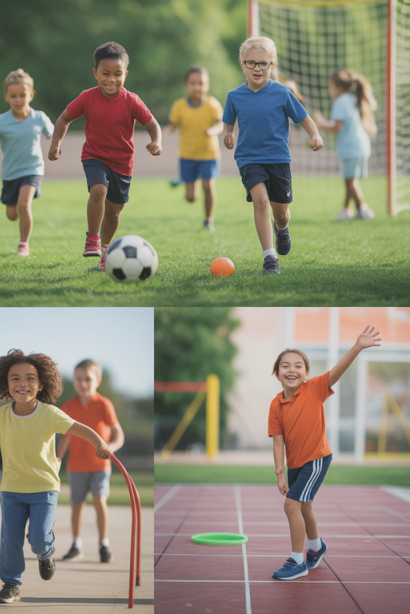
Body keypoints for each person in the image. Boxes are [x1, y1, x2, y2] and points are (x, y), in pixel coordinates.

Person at [0, 350, 111, 604]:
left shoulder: (50, 414)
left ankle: (46, 554)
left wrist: (100, 443)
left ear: (41, 384)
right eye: (15, 379)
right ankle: (11, 584)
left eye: (30, 378)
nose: (22, 384)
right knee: (10, 540)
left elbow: (79, 429)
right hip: (12, 489)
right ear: (5, 384)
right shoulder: (0, 416)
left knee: (39, 538)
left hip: (44, 489)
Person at [269, 326, 381, 579]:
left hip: (317, 458)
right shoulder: (276, 404)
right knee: (305, 507)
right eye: (285, 366)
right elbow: (278, 442)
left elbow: (337, 371)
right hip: (295, 464)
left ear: (307, 373)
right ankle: (317, 548)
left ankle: (298, 562)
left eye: (298, 366)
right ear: (276, 374)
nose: (292, 370)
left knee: (291, 506)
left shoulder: (315, 388)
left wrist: (358, 346)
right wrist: (280, 473)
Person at [49, 41, 162, 271]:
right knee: (98, 190)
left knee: (113, 214)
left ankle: (106, 250)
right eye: (105, 74)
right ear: (95, 74)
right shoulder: (87, 98)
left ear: (126, 74)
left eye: (117, 74)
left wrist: (156, 141)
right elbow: (64, 118)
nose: (111, 79)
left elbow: (153, 125)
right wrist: (55, 144)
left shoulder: (132, 100)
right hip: (94, 156)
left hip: (122, 163)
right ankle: (92, 237)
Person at [222, 36, 324, 275]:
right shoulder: (234, 96)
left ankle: (282, 227)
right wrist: (229, 134)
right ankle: (270, 258)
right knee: (260, 201)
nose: (257, 68)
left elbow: (303, 118)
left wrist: (315, 135)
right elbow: (229, 119)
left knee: (281, 212)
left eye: (263, 63)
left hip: (278, 159)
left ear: (273, 64)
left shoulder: (282, 93)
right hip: (249, 158)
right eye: (251, 63)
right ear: (242, 64)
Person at [0, 69, 54, 257]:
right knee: (12, 214)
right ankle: (19, 215)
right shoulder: (2, 121)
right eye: (13, 96)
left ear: (31, 95)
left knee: (24, 206)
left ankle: (23, 245)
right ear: (6, 97)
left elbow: (53, 133)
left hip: (33, 169)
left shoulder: (39, 118)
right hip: (10, 173)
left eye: (22, 95)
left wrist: (56, 145)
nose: (18, 100)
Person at [56, 359, 123, 562]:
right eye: (78, 379)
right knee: (76, 504)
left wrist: (111, 447)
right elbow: (65, 437)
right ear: (74, 381)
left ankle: (104, 543)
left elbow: (118, 434)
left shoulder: (104, 405)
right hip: (76, 466)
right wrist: (57, 459)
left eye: (88, 379)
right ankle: (76, 545)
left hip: (100, 465)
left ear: (98, 381)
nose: (83, 383)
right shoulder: (68, 407)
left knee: (99, 500)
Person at [164, 66, 223, 231]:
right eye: (193, 83)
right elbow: (172, 125)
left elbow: (220, 125)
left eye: (201, 83)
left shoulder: (212, 104)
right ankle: (184, 178)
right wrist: (162, 134)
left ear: (207, 85)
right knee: (190, 198)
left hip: (209, 154)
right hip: (187, 155)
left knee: (208, 186)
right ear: (186, 85)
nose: (197, 87)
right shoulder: (179, 106)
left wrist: (213, 131)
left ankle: (208, 220)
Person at [313, 69, 377, 221]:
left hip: (351, 148)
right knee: (350, 180)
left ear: (338, 87)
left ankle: (364, 209)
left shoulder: (340, 101)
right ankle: (346, 209)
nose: (330, 91)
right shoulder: (353, 98)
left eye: (330, 87)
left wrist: (321, 125)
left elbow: (337, 127)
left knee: (350, 181)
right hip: (361, 146)